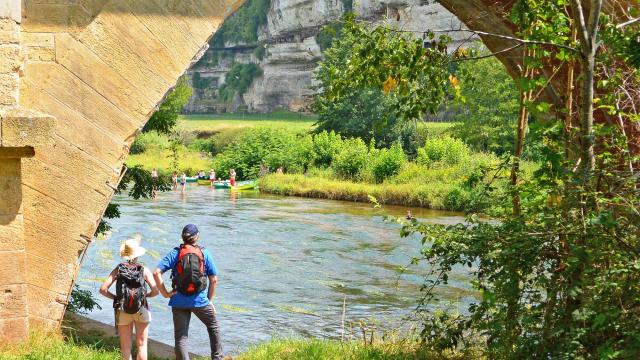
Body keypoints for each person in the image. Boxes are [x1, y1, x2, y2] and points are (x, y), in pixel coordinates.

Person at [153, 224, 222, 360]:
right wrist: (209, 300)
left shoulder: (176, 253)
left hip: (178, 300)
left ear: (182, 237)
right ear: (197, 237)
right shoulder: (204, 253)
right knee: (213, 326)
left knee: (181, 337)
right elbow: (213, 280)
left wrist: (165, 293)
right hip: (200, 301)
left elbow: (156, 272)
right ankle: (217, 358)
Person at [100, 236, 159, 360]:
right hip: (141, 309)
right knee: (142, 345)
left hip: (123, 310)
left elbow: (103, 289)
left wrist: (116, 298)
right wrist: (144, 296)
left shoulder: (119, 269)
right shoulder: (144, 270)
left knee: (125, 347)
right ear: (138, 254)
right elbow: (155, 291)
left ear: (125, 254)